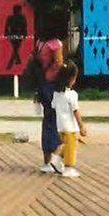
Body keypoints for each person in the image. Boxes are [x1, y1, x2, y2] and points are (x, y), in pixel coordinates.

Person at [30, 40, 64, 173]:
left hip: (42, 85)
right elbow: (60, 66)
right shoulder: (55, 44)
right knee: (56, 121)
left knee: (47, 121)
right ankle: (56, 155)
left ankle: (47, 160)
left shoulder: (40, 43)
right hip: (53, 86)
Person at [50, 62, 86, 177]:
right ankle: (68, 168)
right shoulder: (72, 95)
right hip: (71, 127)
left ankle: (56, 159)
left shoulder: (56, 94)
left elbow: (53, 106)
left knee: (67, 145)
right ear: (71, 79)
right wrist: (81, 126)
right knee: (71, 148)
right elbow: (75, 111)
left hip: (60, 127)